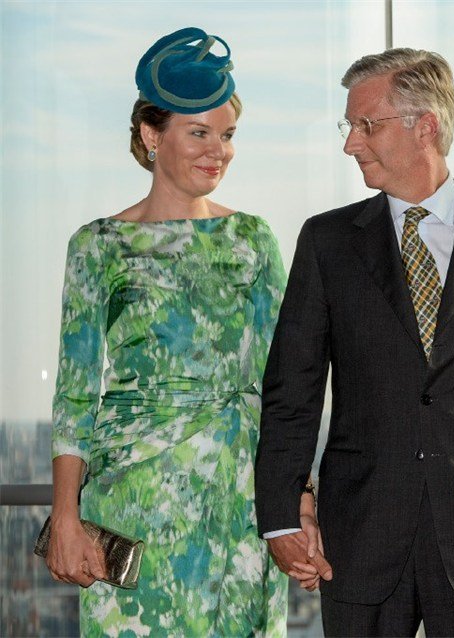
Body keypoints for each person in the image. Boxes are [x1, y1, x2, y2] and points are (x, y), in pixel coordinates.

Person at [254, 48, 454, 637]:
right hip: (358, 537)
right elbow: (291, 393)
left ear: (425, 126)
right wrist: (281, 517)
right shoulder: (326, 242)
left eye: (365, 124)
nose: (351, 144)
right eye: (349, 126)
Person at [45, 27, 287, 636]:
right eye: (199, 133)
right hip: (135, 501)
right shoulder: (99, 245)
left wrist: (297, 500)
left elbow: (285, 386)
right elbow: (75, 393)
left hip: (239, 500)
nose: (218, 151)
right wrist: (66, 517)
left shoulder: (253, 239)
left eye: (227, 135)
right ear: (152, 136)